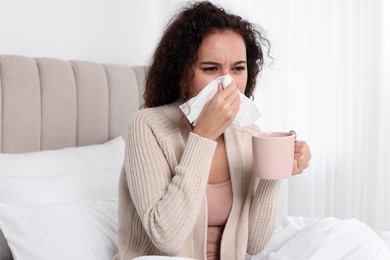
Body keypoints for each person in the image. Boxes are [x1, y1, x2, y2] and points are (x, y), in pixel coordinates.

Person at [114, 1, 311, 260]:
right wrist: (203, 136)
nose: (227, 82)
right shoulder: (147, 126)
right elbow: (167, 239)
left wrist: (274, 171)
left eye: (238, 68)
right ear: (183, 74)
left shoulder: (248, 132)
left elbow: (255, 243)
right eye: (211, 69)